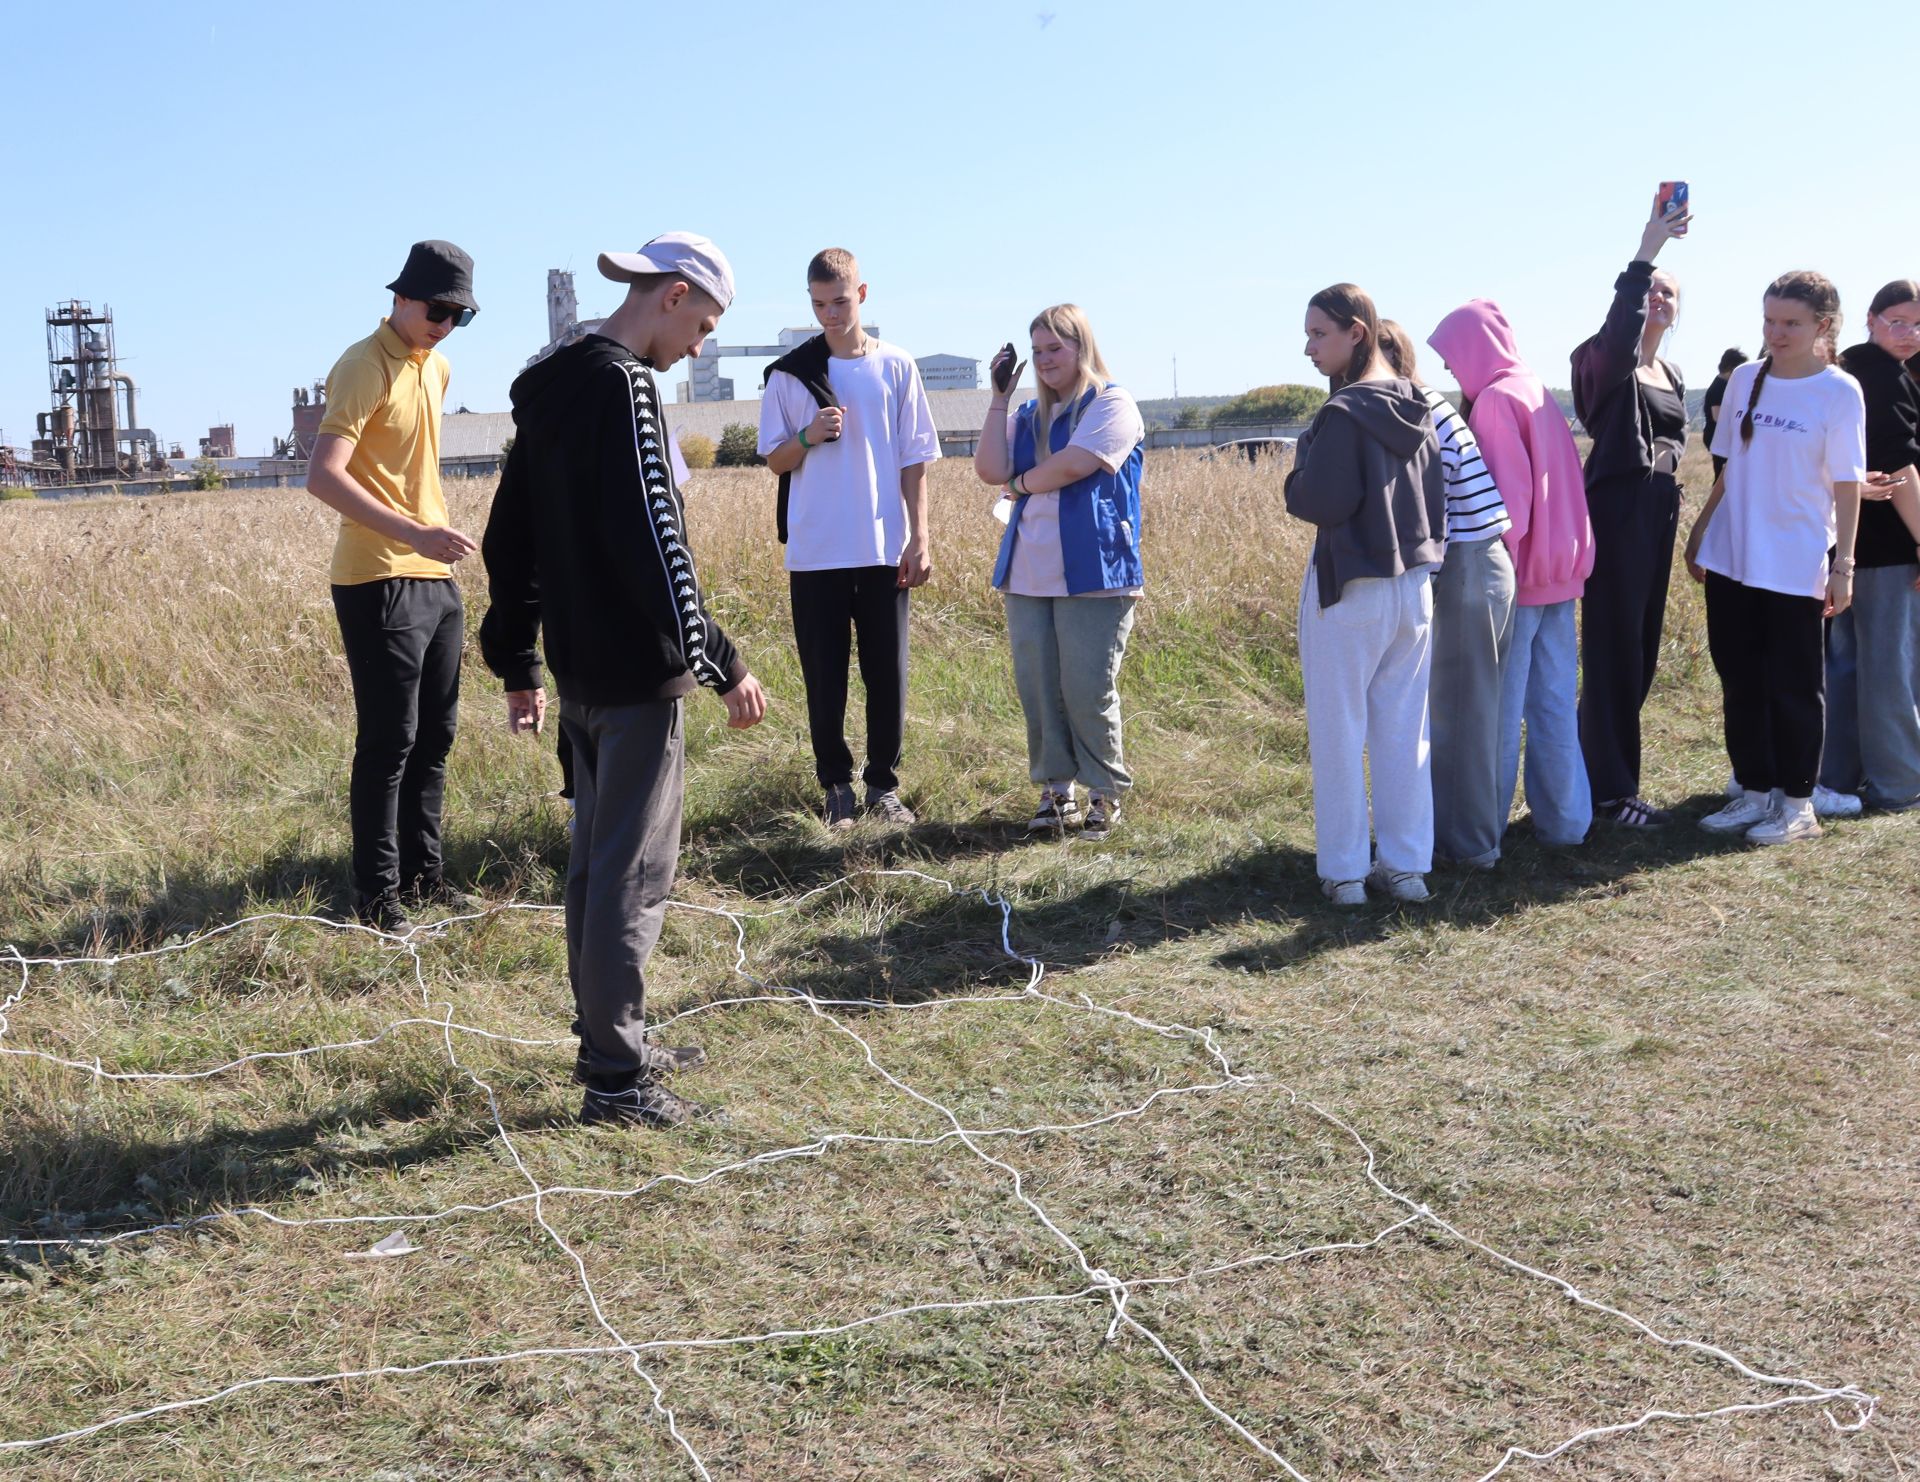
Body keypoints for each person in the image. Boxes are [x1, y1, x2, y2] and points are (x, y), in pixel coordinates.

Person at [480, 232, 768, 1129]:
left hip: (578, 673)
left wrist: (519, 656)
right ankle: (616, 1078)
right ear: (672, 294)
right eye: (704, 326)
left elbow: (508, 536)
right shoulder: (626, 387)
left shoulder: (550, 387)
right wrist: (720, 659)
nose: (699, 349)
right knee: (632, 878)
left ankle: (613, 1035)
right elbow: (657, 542)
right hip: (641, 677)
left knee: (594, 869)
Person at [305, 239, 480, 933]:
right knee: (390, 741)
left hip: (434, 576)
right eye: (437, 309)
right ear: (401, 298)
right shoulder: (361, 365)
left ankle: (424, 878)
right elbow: (324, 475)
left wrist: (427, 541)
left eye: (460, 315)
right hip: (377, 576)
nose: (444, 324)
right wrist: (412, 532)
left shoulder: (435, 368)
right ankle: (377, 900)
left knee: (435, 737)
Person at [758, 248, 938, 830]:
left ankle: (883, 787)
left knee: (888, 674)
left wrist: (921, 536)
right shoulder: (791, 374)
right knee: (824, 677)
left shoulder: (898, 366)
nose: (829, 315)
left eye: (839, 302)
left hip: (885, 547)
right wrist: (808, 437)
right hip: (815, 552)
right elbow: (773, 460)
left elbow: (915, 460)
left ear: (862, 295)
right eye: (818, 305)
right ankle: (837, 787)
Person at [1684, 271, 1865, 845]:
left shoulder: (1839, 391)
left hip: (1795, 562)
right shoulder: (1744, 378)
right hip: (1732, 556)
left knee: (1794, 684)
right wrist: (1700, 532)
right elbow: (1729, 467)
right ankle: (1755, 791)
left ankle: (1798, 806)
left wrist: (1845, 566)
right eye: (1769, 320)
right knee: (1739, 678)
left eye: (1791, 322)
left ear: (1823, 326)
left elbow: (1847, 484)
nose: (1777, 332)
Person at [1284, 286, 1446, 905]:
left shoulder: (1343, 413)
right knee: (1406, 732)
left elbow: (1317, 501)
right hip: (1414, 587)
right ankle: (1407, 868)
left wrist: (1301, 462)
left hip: (1349, 586)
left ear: (1356, 332)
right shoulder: (1419, 403)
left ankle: (1347, 875)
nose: (1308, 348)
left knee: (1338, 732)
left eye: (1318, 334)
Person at [972, 305, 1145, 841]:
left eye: (1056, 349)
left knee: (1088, 685)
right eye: (1038, 350)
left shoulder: (1112, 404)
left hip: (1094, 571)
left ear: (1082, 347)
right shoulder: (1027, 413)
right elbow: (989, 470)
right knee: (1040, 687)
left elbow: (1074, 464)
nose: (1046, 360)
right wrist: (999, 397)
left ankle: (1104, 793)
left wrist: (1021, 486)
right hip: (1027, 573)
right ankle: (1055, 791)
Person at [1429, 300, 1594, 849]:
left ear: (1474, 349)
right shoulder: (1535, 389)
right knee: (1553, 705)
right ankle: (1567, 823)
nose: (1452, 372)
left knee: (1497, 712)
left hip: (1519, 580)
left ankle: (1485, 831)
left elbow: (1505, 509)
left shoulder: (1496, 401)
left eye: (1453, 358)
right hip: (1563, 575)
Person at [1569, 193, 1691, 828]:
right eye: (1652, 292)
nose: (1659, 300)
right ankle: (1608, 794)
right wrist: (1648, 253)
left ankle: (1609, 783)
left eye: (1670, 292)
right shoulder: (1603, 359)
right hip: (1617, 507)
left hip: (1658, 510)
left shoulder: (1668, 370)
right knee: (1614, 648)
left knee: (1639, 649)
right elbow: (1620, 327)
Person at [1377, 321, 1515, 869]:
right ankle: (1454, 838)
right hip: (1479, 564)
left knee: (1462, 717)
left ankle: (1471, 848)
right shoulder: (1423, 402)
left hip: (1467, 566)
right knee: (1463, 712)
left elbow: (1428, 509)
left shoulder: (1414, 409)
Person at [1820, 280, 1920, 812]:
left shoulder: (1850, 368)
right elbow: (1901, 467)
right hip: (1887, 545)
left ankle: (1836, 776)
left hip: (1848, 544)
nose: (1909, 334)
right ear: (1872, 319)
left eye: (1918, 325)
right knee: (1890, 669)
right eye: (1898, 322)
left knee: (1846, 666)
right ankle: (1899, 784)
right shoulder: (1884, 376)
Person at [1703, 348, 1749, 479]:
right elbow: (1717, 417)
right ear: (1731, 367)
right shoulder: (1719, 387)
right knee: (1722, 476)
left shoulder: (1724, 384)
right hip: (1717, 437)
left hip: (1720, 436)